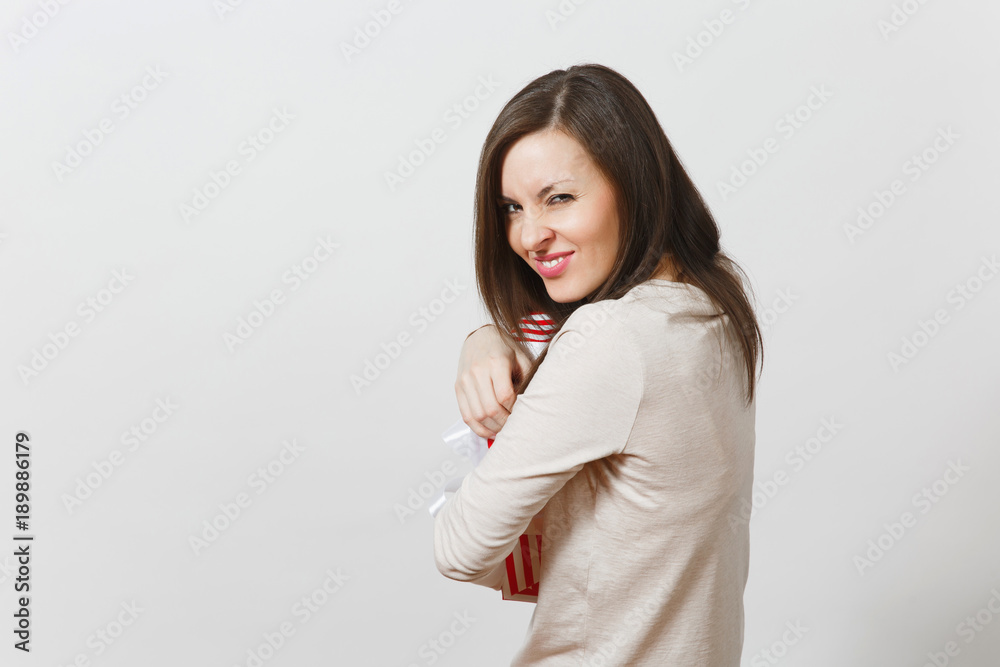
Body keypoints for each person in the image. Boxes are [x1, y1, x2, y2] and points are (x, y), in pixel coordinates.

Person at [433, 63, 763, 666]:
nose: (529, 236)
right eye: (511, 208)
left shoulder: (611, 340)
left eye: (559, 198)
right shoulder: (715, 303)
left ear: (634, 185)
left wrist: (498, 358)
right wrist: (490, 337)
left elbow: (461, 548)